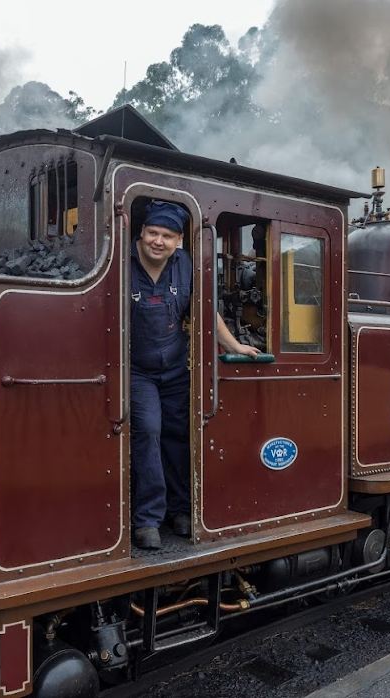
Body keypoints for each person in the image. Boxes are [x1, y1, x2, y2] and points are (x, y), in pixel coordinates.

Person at [130, 200, 259, 550]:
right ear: (141, 234)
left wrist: (235, 345)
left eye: (167, 236)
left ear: (179, 240)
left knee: (177, 434)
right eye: (153, 233)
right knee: (149, 431)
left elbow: (206, 311)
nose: (159, 241)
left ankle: (181, 510)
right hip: (137, 372)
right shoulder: (122, 264)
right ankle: (147, 519)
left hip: (174, 369)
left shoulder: (185, 265)